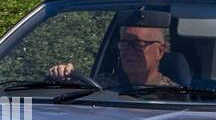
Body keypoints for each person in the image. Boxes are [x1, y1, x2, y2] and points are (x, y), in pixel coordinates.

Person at [48, 11, 176, 88]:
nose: (129, 51)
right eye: (125, 43)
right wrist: (65, 77)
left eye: (138, 44)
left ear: (160, 51)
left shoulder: (175, 96)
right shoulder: (102, 84)